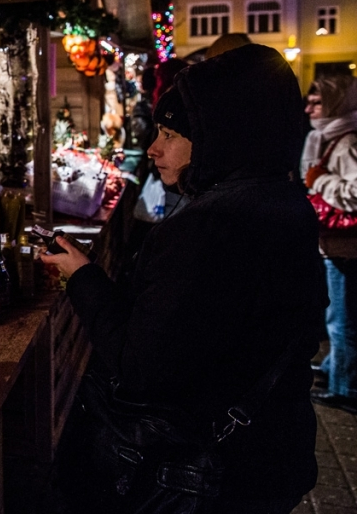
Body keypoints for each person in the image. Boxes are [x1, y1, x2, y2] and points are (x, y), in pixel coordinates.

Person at [43, 44, 324, 512]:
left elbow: (139, 368)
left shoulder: (210, 229)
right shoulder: (282, 199)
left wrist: (82, 277)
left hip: (210, 472)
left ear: (221, 136)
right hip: (270, 448)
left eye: (170, 134)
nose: (153, 148)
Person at [303, 74, 357, 413]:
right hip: (336, 245)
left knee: (342, 321)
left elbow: (354, 193)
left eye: (318, 101)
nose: (309, 107)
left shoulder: (347, 141)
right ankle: (331, 370)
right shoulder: (329, 136)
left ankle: (345, 387)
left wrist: (321, 180)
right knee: (338, 315)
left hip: (346, 247)